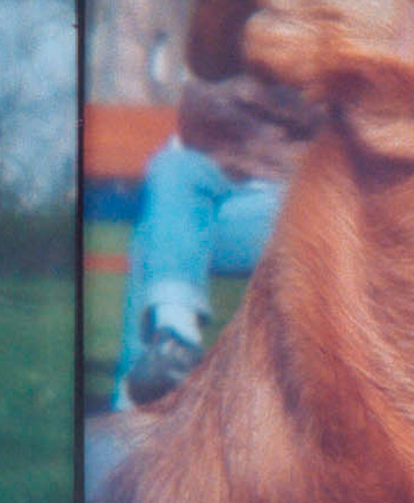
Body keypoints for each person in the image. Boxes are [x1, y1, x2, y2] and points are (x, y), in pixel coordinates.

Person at [113, 75, 322, 408]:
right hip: (224, 197)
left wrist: (249, 99)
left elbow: (322, 112)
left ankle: (139, 406)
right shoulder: (220, 47)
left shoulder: (314, 48)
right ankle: (174, 344)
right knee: (170, 172)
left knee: (154, 237)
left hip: (295, 203)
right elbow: (198, 113)